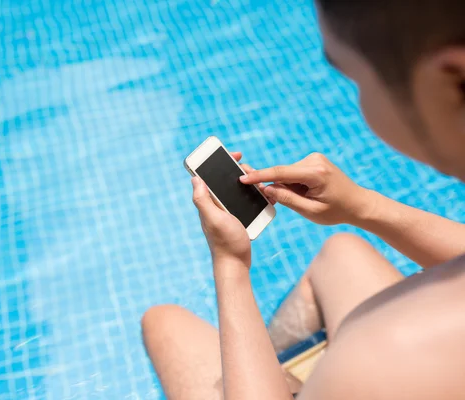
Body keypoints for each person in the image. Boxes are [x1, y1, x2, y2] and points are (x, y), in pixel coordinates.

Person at [141, 0, 465, 399]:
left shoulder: (381, 359)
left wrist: (231, 265)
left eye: (355, 79)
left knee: (164, 323)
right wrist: (363, 206)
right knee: (342, 251)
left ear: (452, 79)